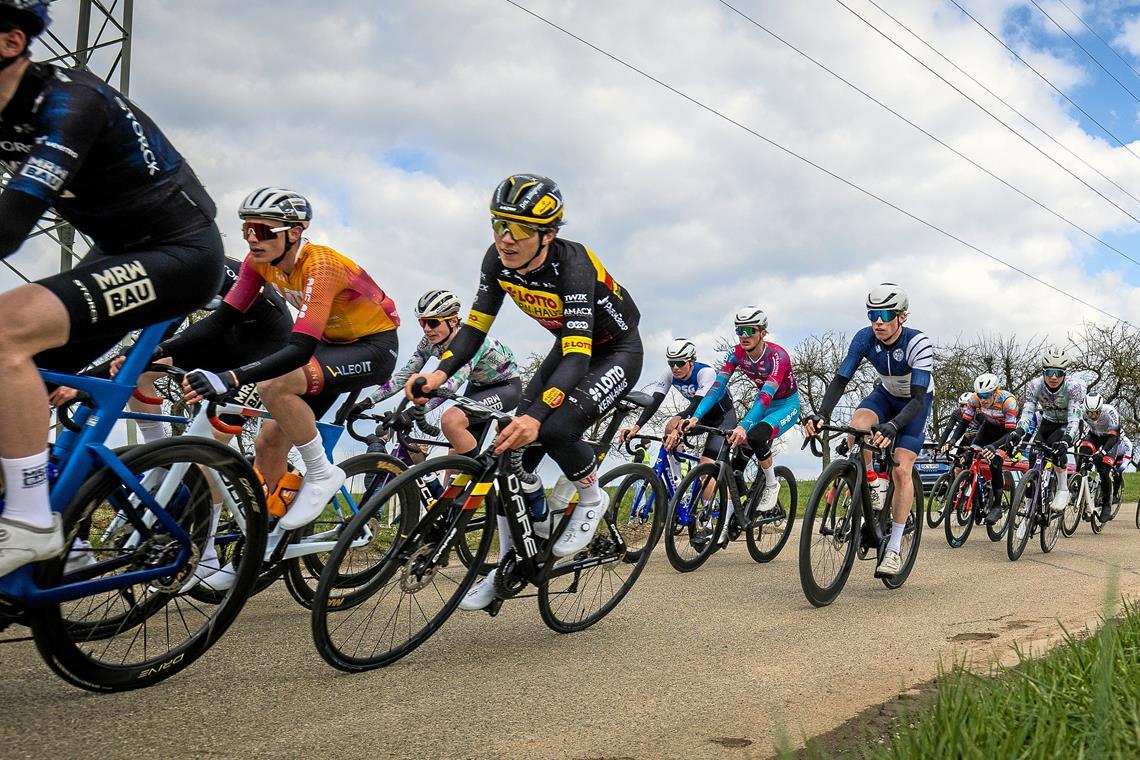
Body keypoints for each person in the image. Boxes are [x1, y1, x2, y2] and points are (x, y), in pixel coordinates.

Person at [0, 1, 226, 577]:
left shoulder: (70, 103)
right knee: (26, 380)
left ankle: (31, 520)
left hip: (181, 253)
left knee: (8, 329)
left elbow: (10, 224)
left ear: (9, 40)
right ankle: (64, 531)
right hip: (119, 251)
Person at [406, 173, 641, 612]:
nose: (505, 239)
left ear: (548, 235)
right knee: (506, 456)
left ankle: (591, 494)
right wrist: (438, 376)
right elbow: (474, 329)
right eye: (498, 225)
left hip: (613, 352)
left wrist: (536, 415)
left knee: (554, 430)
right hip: (568, 349)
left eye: (518, 230)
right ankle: (508, 564)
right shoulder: (496, 261)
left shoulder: (574, 265)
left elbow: (577, 356)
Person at [177, 188, 400, 539]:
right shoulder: (259, 264)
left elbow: (297, 349)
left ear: (294, 232)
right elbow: (219, 322)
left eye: (263, 231)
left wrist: (231, 377)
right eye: (247, 230)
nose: (253, 239)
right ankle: (263, 535)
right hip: (330, 347)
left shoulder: (321, 265)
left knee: (275, 385)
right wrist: (155, 353)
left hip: (373, 348)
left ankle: (321, 473)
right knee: (268, 440)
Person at [803, 283, 934, 577]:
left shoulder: (918, 343)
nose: (878, 321)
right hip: (886, 394)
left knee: (901, 469)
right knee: (857, 426)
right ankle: (872, 481)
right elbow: (840, 380)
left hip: (915, 401)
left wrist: (893, 426)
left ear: (902, 316)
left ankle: (894, 548)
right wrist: (821, 414)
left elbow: (916, 399)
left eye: (885, 314)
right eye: (872, 313)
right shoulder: (864, 338)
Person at [677, 307, 800, 535]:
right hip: (760, 404)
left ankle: (772, 484)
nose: (743, 335)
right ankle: (726, 523)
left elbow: (766, 397)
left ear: (763, 332)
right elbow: (716, 388)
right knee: (735, 468)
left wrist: (744, 424)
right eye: (739, 330)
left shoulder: (778, 357)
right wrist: (695, 416)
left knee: (755, 435)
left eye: (749, 330)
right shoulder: (735, 354)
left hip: (784, 405)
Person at [355, 288, 521, 454]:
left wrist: (409, 414)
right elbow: (405, 375)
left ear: (453, 321)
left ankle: (482, 476)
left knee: (451, 421)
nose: (426, 329)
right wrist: (367, 402)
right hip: (477, 387)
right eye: (422, 322)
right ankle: (467, 475)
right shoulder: (428, 343)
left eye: (433, 322)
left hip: (505, 387)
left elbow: (449, 386)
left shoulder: (472, 343)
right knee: (454, 454)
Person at [620, 338, 736, 498]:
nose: (675, 367)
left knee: (705, 467)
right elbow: (654, 403)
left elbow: (696, 404)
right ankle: (677, 480)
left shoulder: (706, 373)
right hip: (698, 417)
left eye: (680, 363)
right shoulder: (669, 374)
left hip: (722, 419)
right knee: (671, 425)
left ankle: (717, 514)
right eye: (671, 363)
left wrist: (678, 431)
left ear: (692, 361)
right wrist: (635, 428)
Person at [1009, 347, 1084, 515]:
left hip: (1067, 425)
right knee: (1034, 459)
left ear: (1064, 374)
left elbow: (1074, 419)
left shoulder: (1074, 388)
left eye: (1058, 373)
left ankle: (1063, 489)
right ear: (1043, 372)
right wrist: (1018, 432)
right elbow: (1027, 413)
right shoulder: (1035, 385)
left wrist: (1066, 441)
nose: (1054, 377)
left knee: (1056, 448)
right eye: (1049, 372)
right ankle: (1028, 510)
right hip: (1047, 422)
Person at [947, 373, 1019, 524]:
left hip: (1005, 434)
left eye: (986, 395)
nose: (983, 400)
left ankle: (997, 506)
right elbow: (964, 422)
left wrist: (994, 446)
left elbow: (1010, 432)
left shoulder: (1008, 401)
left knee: (995, 462)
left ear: (995, 392)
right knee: (968, 455)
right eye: (980, 396)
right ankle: (975, 498)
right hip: (987, 429)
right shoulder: (974, 399)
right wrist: (953, 440)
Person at [1077, 393, 1121, 521]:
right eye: (1090, 413)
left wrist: (1102, 453)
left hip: (1110, 440)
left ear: (1101, 408)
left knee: (1103, 469)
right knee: (1082, 453)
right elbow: (1079, 428)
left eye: (1096, 412)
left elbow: (1113, 437)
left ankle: (1106, 503)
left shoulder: (1110, 412)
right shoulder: (1081, 411)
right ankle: (1079, 485)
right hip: (1094, 436)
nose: (1093, 416)